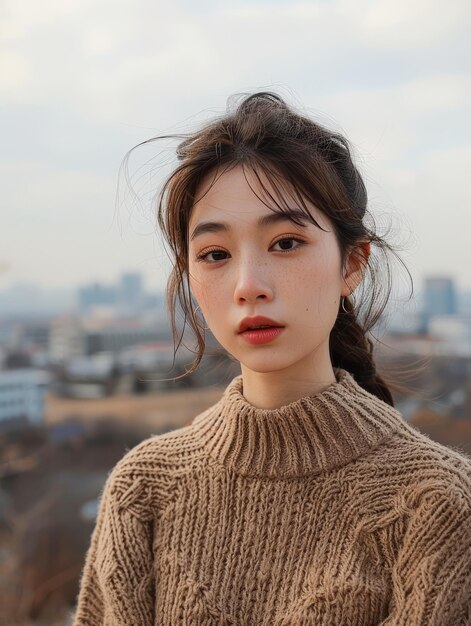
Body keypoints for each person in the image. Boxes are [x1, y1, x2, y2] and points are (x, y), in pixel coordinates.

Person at [73, 92, 471, 625]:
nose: (248, 286)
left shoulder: (435, 503)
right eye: (215, 254)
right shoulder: (143, 489)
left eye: (285, 243)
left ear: (351, 263)